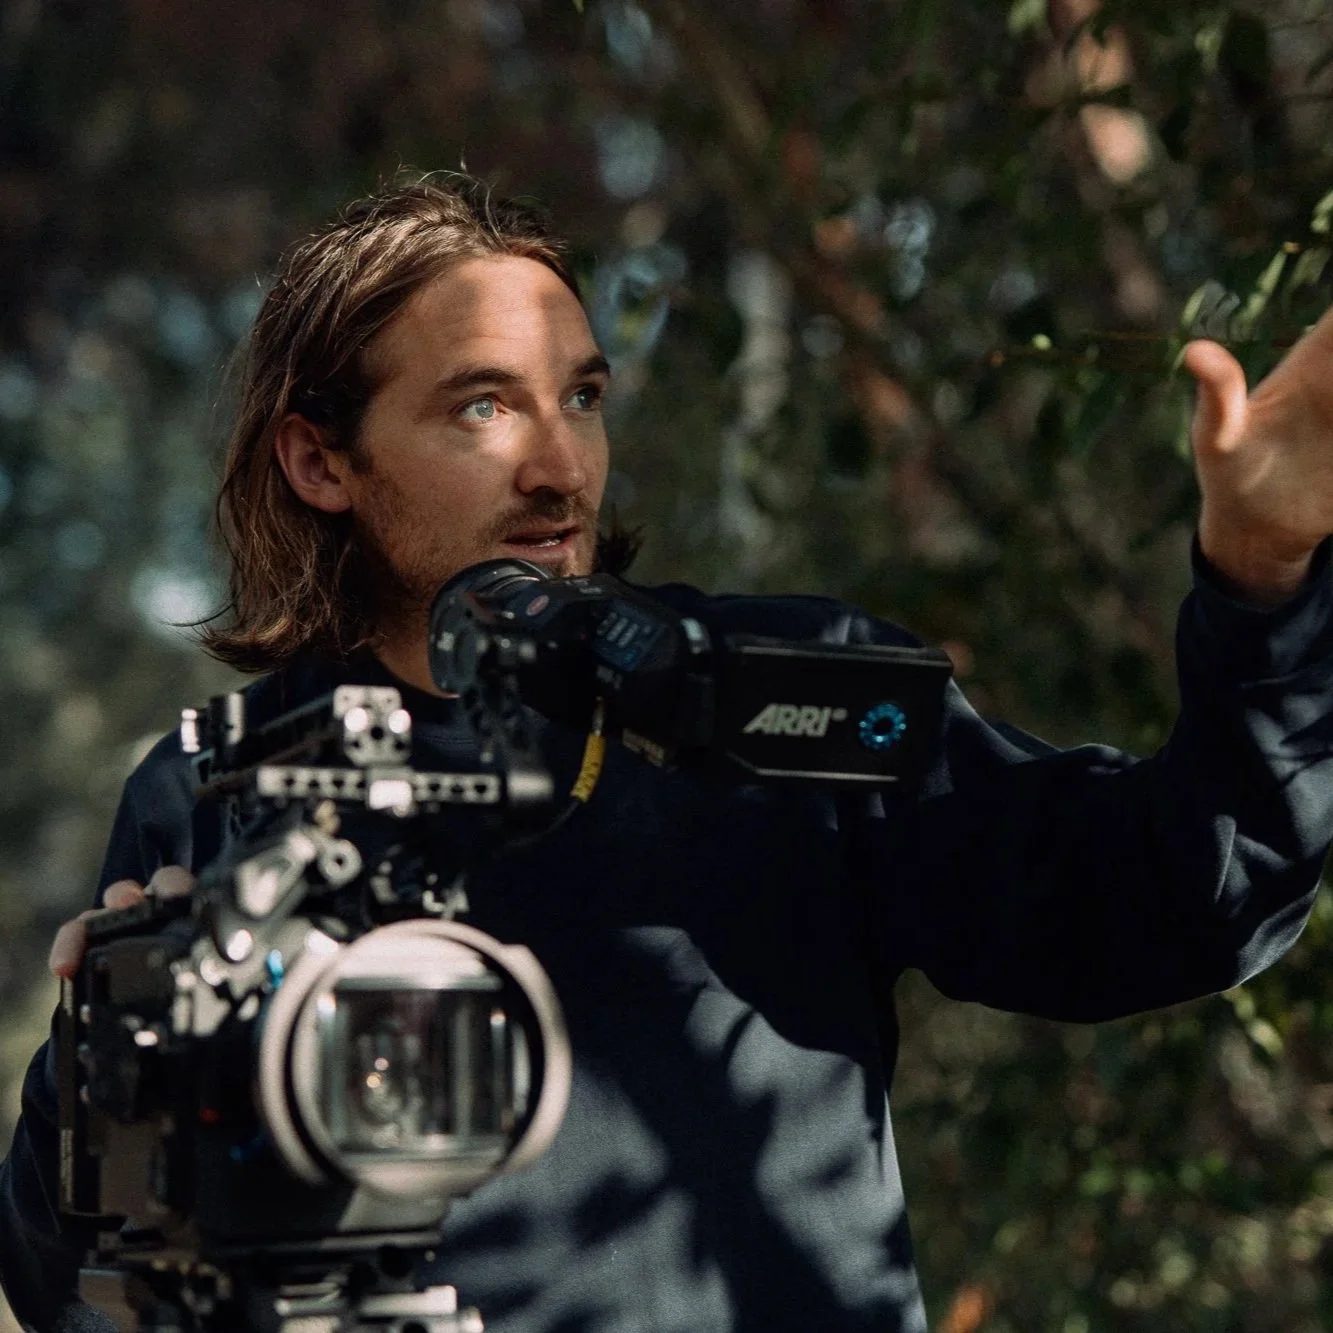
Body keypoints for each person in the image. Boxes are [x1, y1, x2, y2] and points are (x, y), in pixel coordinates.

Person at [4, 174, 1333, 1333]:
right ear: (319, 461)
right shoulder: (214, 790)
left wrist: (1264, 590)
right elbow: (73, 1286)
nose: (557, 467)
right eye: (480, 409)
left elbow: (1185, 898)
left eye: (579, 397)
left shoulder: (777, 704)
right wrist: (101, 1077)